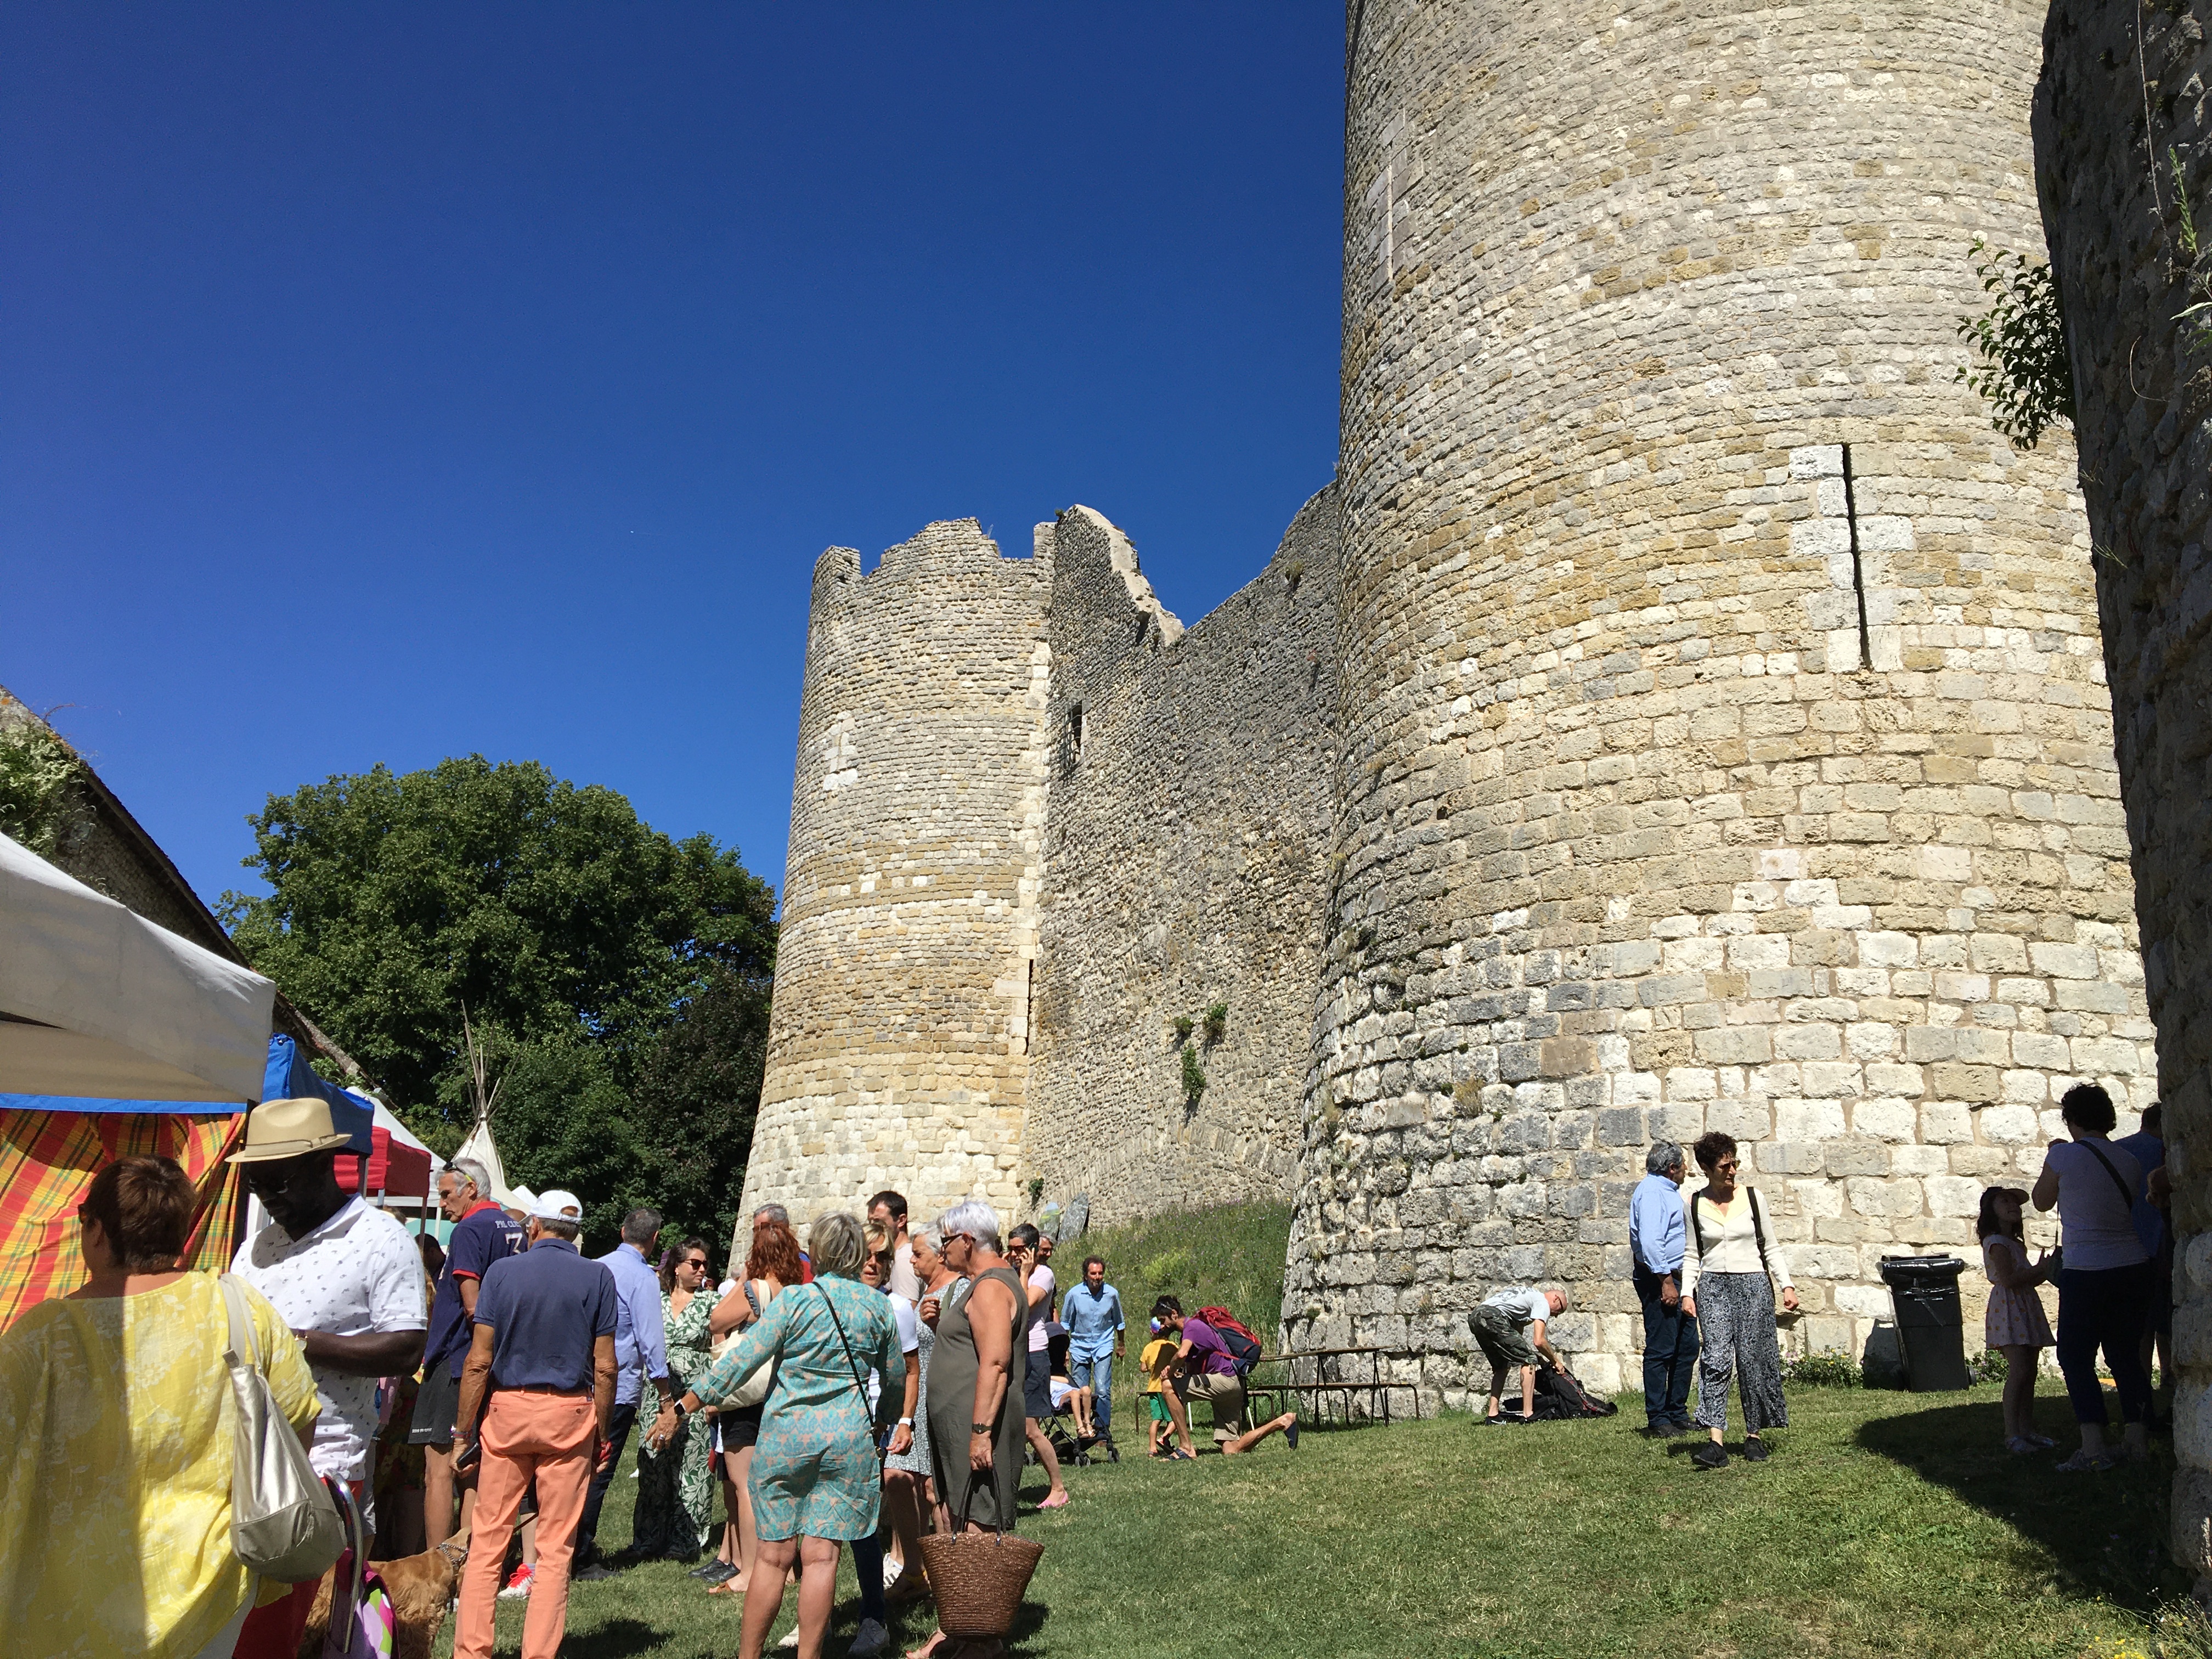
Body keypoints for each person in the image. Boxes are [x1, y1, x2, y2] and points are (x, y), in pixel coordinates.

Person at [0, 1155, 318, 1659]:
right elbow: (299, 1418)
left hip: (59, 1598)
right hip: (212, 1581)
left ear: (96, 1230)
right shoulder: (237, 1306)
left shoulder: (38, 1337)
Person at [653, 1210, 904, 1659]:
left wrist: (682, 1406)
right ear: (860, 1254)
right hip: (847, 1438)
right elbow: (896, 1379)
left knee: (772, 1555)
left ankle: (749, 1656)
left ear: (820, 1251)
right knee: (823, 1556)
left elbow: (740, 1362)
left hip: (787, 1435)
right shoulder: (878, 1306)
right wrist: (884, 1419)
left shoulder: (794, 1302)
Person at [228, 1097, 427, 1658]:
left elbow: (406, 1345)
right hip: (244, 1459)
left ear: (322, 1167)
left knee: (275, 1628)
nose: (268, 1198)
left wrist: (300, 1344)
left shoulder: (379, 1240)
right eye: (257, 1185)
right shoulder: (259, 1246)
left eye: (279, 1183)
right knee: (236, 1623)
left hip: (321, 1466)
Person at [450, 1189, 619, 1659]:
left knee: (488, 1542)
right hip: (569, 1415)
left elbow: (478, 1361)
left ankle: (470, 1652)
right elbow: (605, 1367)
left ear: (534, 1227)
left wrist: (462, 1432)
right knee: (556, 1549)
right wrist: (601, 1431)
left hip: (508, 1412)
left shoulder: (502, 1273)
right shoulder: (598, 1276)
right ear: (576, 1232)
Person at [909, 1201, 1025, 1659]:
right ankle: (965, 1633)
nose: (942, 1249)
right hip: (963, 1428)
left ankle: (980, 1641)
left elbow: (995, 1364)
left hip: (980, 1429)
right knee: (962, 1521)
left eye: (945, 1240)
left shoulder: (992, 1287)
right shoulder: (978, 1286)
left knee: (977, 1528)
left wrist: (980, 1431)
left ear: (967, 1241)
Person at [2033, 1082, 2154, 1471]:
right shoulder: (2129, 1160)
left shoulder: (2064, 1155)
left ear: (2072, 1120)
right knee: (2125, 1355)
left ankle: (2093, 1444)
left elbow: (2041, 1201)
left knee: (2075, 1355)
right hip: (2132, 1266)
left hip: (2086, 1268)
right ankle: (2137, 1440)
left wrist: (2052, 1157)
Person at [414, 1156, 524, 1547]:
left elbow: (474, 1304)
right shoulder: (515, 1227)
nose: (442, 1204)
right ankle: (470, 1558)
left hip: (460, 1357)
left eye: (445, 1195)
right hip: (499, 1359)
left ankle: (439, 1563)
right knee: (472, 1462)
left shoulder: (469, 1229)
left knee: (440, 1467)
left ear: (470, 1189)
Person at [700, 1210, 805, 1596]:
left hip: (746, 1397)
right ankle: (787, 1568)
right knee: (776, 1486)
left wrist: (746, 1277)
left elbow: (715, 1321)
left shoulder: (755, 1289)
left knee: (745, 1486)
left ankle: (747, 1569)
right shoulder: (794, 1292)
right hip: (780, 1395)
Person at [1680, 1131, 1797, 1470]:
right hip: (1714, 1286)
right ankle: (1716, 1441)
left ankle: (1754, 1435)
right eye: (1723, 1166)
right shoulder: (1695, 1203)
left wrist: (1786, 1285)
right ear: (1705, 1168)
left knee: (1753, 1358)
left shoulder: (1753, 1198)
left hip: (1754, 1285)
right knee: (1715, 1358)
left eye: (1735, 1164)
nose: (1732, 1172)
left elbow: (1771, 1246)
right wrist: (1688, 1292)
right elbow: (1691, 1254)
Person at [575, 1206, 678, 1577]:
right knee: (598, 1472)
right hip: (617, 1387)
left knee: (572, 1470)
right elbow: (650, 1340)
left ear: (621, 1232)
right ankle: (581, 1554)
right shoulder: (642, 1278)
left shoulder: (593, 1266)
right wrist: (665, 1393)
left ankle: (561, 1545)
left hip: (581, 1380)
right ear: (654, 1240)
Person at [885, 1227, 959, 1602]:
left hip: (941, 1399)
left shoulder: (957, 1291)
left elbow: (967, 1346)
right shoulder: (925, 1294)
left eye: (917, 1254)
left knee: (934, 1490)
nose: (911, 1261)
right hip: (917, 1401)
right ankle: (917, 1569)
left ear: (939, 1255)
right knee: (900, 1477)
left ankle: (947, 1576)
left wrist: (936, 1325)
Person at [634, 1237, 717, 1561]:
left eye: (704, 1265)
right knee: (654, 1463)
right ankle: (648, 1539)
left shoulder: (711, 1302)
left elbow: (717, 1349)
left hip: (694, 1393)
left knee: (692, 1466)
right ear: (677, 1267)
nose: (701, 1269)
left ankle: (687, 1540)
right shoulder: (656, 1300)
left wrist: (713, 1399)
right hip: (657, 1392)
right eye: (694, 1264)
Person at [1153, 1296, 1298, 1454]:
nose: (1162, 1326)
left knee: (1168, 1386)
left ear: (1174, 1314)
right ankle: (1283, 1421)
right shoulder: (1195, 1328)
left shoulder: (1192, 1327)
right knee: (1231, 1449)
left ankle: (1186, 1448)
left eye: (1163, 1320)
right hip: (1232, 1383)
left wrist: (1170, 1371)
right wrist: (1180, 1374)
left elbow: (1181, 1355)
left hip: (1225, 1380)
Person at [1978, 1186, 2056, 1453]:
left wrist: (2045, 1270)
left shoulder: (2014, 1243)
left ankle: (2026, 1430)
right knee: (2020, 1370)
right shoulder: (1997, 1243)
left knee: (2030, 1372)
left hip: (2023, 1304)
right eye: (2005, 1201)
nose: (2014, 1205)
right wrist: (2038, 1269)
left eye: (2015, 1202)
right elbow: (2009, 1280)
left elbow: (2028, 1279)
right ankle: (2012, 1434)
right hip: (2009, 1308)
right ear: (1992, 1210)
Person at [1629, 1140, 1699, 1437]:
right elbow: (1651, 1241)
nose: (1686, 1170)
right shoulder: (1653, 1192)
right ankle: (1658, 1419)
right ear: (1672, 1169)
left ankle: (1677, 1412)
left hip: (1679, 1278)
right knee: (1661, 1349)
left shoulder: (1666, 1191)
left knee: (1687, 1346)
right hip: (1662, 1279)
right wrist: (1667, 1283)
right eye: (1683, 1165)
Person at [1006, 1223, 1070, 1509]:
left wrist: (1021, 1273)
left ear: (1032, 1250)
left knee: (1030, 1427)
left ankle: (1058, 1488)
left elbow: (1022, 1307)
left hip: (1034, 1353)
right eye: (1011, 1249)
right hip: (1013, 1353)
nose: (1014, 1254)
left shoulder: (1044, 1275)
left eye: (1019, 1249)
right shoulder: (1010, 1271)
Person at [2113, 1102, 2171, 1414]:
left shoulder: (2118, 1152)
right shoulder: (2167, 1150)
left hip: (2125, 1249)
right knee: (2167, 1319)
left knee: (2139, 1326)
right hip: (2162, 1246)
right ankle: (2171, 1374)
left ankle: (2140, 1381)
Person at [1467, 1285, 1570, 1425]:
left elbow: (1515, 1336)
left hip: (1476, 1317)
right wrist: (1555, 1361)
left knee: (1502, 1366)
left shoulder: (1528, 1296)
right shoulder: (1542, 1302)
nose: (1557, 1315)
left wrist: (1522, 1353)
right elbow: (1539, 1341)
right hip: (1492, 1317)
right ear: (1556, 1299)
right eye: (1560, 1310)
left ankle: (1493, 1415)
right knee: (1530, 1360)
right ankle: (1528, 1414)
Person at [1060, 1254, 1124, 1448]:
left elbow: (1119, 1322)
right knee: (1080, 1391)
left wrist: (1121, 1345)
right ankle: (1084, 1428)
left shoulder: (1111, 1294)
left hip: (1103, 1344)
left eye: (1100, 1274)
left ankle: (1102, 1431)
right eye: (1093, 1274)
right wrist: (1064, 1350)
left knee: (1103, 1389)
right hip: (1079, 1346)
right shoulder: (1074, 1295)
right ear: (1086, 1275)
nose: (1097, 1277)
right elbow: (1065, 1324)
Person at [870, 1189, 922, 1300]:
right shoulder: (895, 1257)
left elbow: (906, 1311)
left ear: (901, 1221)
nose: (874, 1227)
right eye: (870, 1221)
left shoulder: (904, 1260)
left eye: (878, 1221)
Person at [1139, 1318, 1179, 1457]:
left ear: (1152, 1331)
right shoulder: (1171, 1346)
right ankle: (1164, 1438)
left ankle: (1152, 1449)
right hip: (1165, 1386)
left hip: (1152, 1388)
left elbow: (1143, 1368)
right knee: (1175, 1418)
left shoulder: (1148, 1347)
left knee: (1156, 1420)